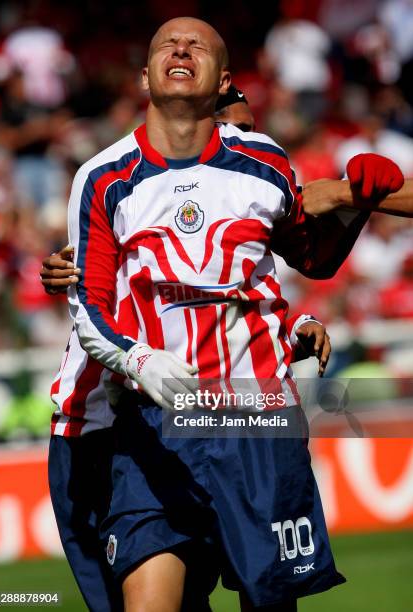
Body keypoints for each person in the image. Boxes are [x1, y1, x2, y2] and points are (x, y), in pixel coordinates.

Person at [63, 17, 406, 612]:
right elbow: (87, 304)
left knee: (268, 601)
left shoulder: (264, 162)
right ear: (144, 75)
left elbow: (309, 259)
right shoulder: (101, 178)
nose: (180, 48)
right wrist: (139, 358)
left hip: (257, 416)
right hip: (152, 426)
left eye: (198, 44)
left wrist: (356, 207)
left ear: (224, 80)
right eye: (166, 42)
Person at [45, 86, 329, 612]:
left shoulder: (247, 189)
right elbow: (129, 299)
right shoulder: (119, 190)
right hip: (107, 427)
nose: (243, 139)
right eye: (234, 127)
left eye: (247, 130)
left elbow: (231, 298)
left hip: (231, 419)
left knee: (262, 593)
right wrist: (69, 273)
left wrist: (293, 327)